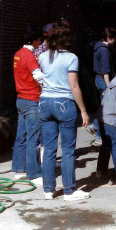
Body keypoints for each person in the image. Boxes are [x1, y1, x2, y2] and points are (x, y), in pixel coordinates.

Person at [38, 20, 90, 201]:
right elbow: (74, 86)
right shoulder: (71, 58)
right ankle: (69, 190)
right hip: (64, 103)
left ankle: (48, 190)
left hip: (44, 102)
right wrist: (83, 110)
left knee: (49, 148)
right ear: (67, 38)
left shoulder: (43, 57)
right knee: (68, 149)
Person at [12, 25, 44, 185]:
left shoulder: (18, 54)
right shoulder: (29, 56)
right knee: (33, 138)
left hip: (21, 99)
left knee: (21, 136)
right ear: (36, 40)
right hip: (32, 99)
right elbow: (39, 77)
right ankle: (34, 173)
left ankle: (19, 170)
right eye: (40, 40)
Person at [86, 28, 116, 147]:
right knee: (105, 109)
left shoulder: (98, 48)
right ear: (109, 37)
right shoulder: (104, 51)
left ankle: (96, 129)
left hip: (98, 79)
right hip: (103, 80)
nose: (115, 41)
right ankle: (97, 133)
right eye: (114, 38)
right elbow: (105, 70)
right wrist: (109, 85)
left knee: (103, 107)